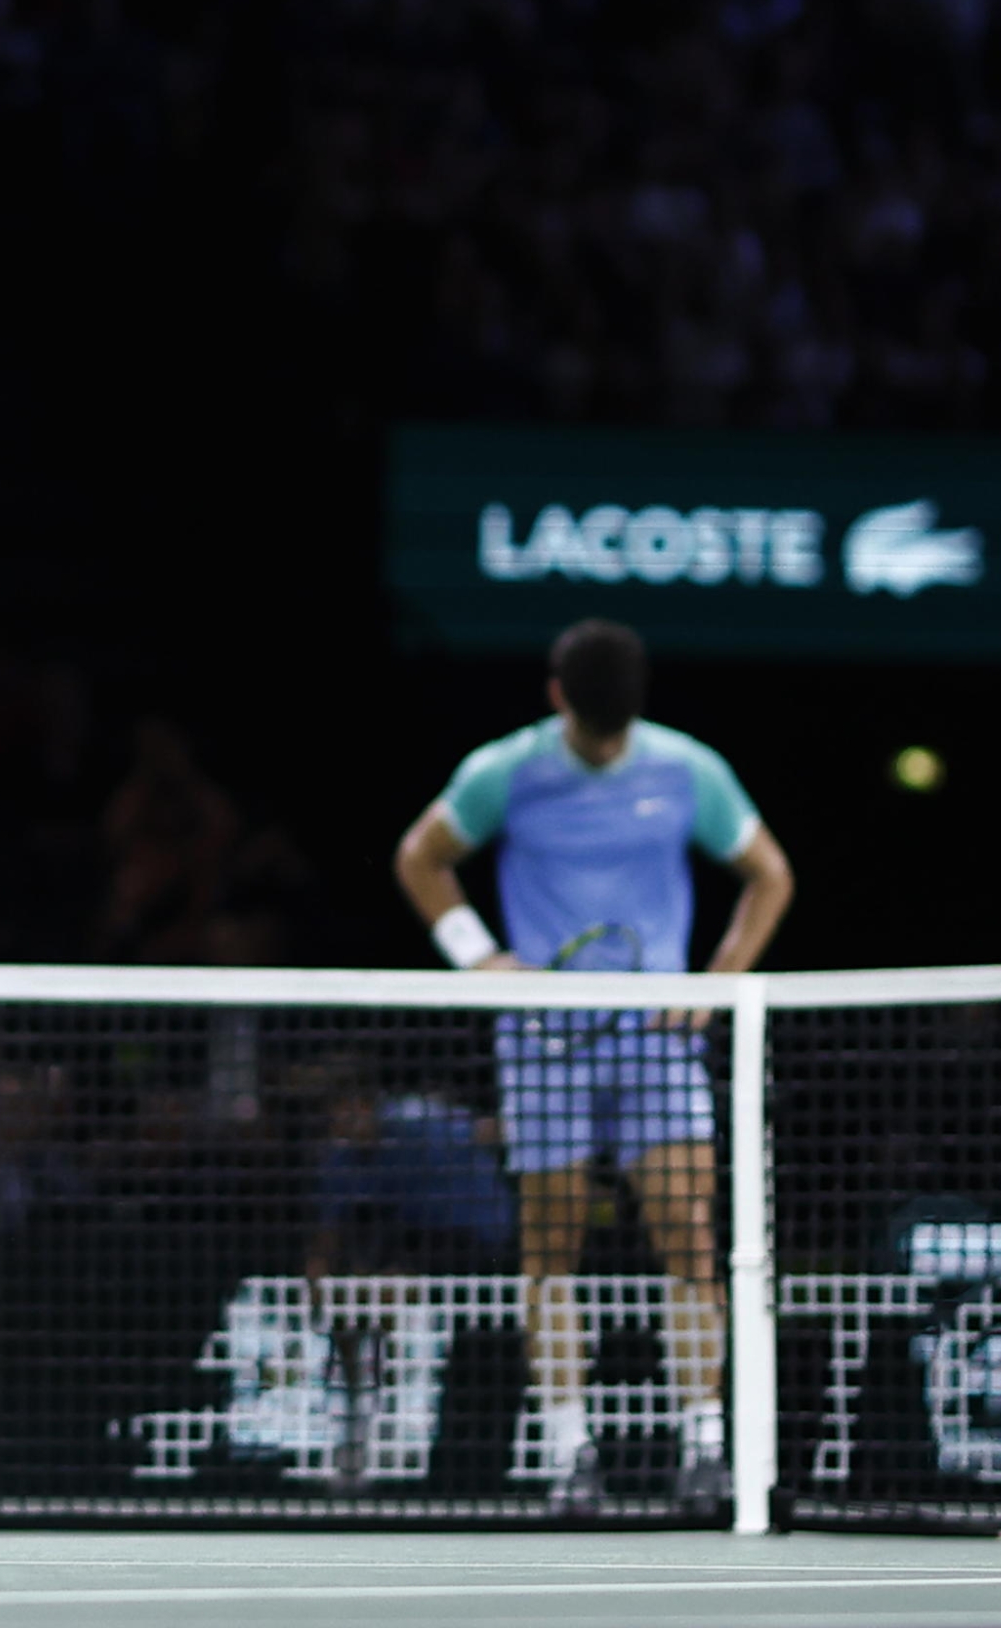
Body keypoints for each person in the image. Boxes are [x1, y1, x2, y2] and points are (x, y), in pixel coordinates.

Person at [391, 619, 793, 1512]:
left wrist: (718, 986)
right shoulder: (507, 772)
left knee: (689, 1236)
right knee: (551, 1249)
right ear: (558, 699)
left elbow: (771, 874)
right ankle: (571, 1453)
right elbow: (421, 857)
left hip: (660, 1038)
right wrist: (482, 961)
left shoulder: (689, 770)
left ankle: (705, 1449)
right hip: (544, 1043)